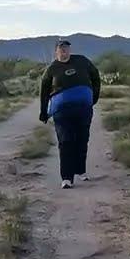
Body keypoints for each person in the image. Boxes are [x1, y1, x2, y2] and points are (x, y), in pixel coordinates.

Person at [39, 39, 100, 188]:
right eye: (61, 49)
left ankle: (80, 170)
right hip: (62, 112)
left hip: (84, 108)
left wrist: (94, 97)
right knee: (65, 141)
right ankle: (66, 178)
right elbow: (44, 91)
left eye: (66, 48)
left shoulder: (82, 61)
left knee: (82, 139)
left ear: (70, 50)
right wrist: (43, 111)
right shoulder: (52, 69)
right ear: (56, 51)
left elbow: (96, 76)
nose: (64, 51)